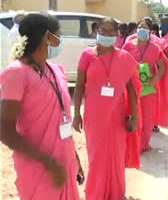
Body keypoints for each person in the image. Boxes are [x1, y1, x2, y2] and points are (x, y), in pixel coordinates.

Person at [0, 13, 79, 200]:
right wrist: (49, 163)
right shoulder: (16, 73)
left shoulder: (56, 70)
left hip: (63, 166)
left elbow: (64, 117)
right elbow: (5, 131)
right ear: (47, 37)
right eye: (59, 35)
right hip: (39, 170)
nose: (61, 40)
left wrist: (73, 158)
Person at [72, 18, 139, 200]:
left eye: (111, 31)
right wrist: (76, 114)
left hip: (116, 115)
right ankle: (96, 193)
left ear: (117, 35)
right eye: (103, 30)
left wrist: (134, 116)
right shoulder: (87, 55)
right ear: (96, 31)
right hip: (94, 116)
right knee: (96, 156)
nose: (107, 34)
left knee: (116, 156)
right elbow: (79, 86)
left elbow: (132, 88)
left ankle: (115, 193)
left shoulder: (124, 57)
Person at [122, 19, 167, 153]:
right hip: (131, 87)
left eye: (145, 27)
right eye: (140, 27)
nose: (142, 29)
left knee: (147, 118)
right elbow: (121, 63)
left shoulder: (155, 48)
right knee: (131, 113)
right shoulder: (128, 46)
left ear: (150, 31)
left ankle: (143, 145)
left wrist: (155, 79)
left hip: (148, 87)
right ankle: (131, 145)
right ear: (136, 29)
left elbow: (162, 67)